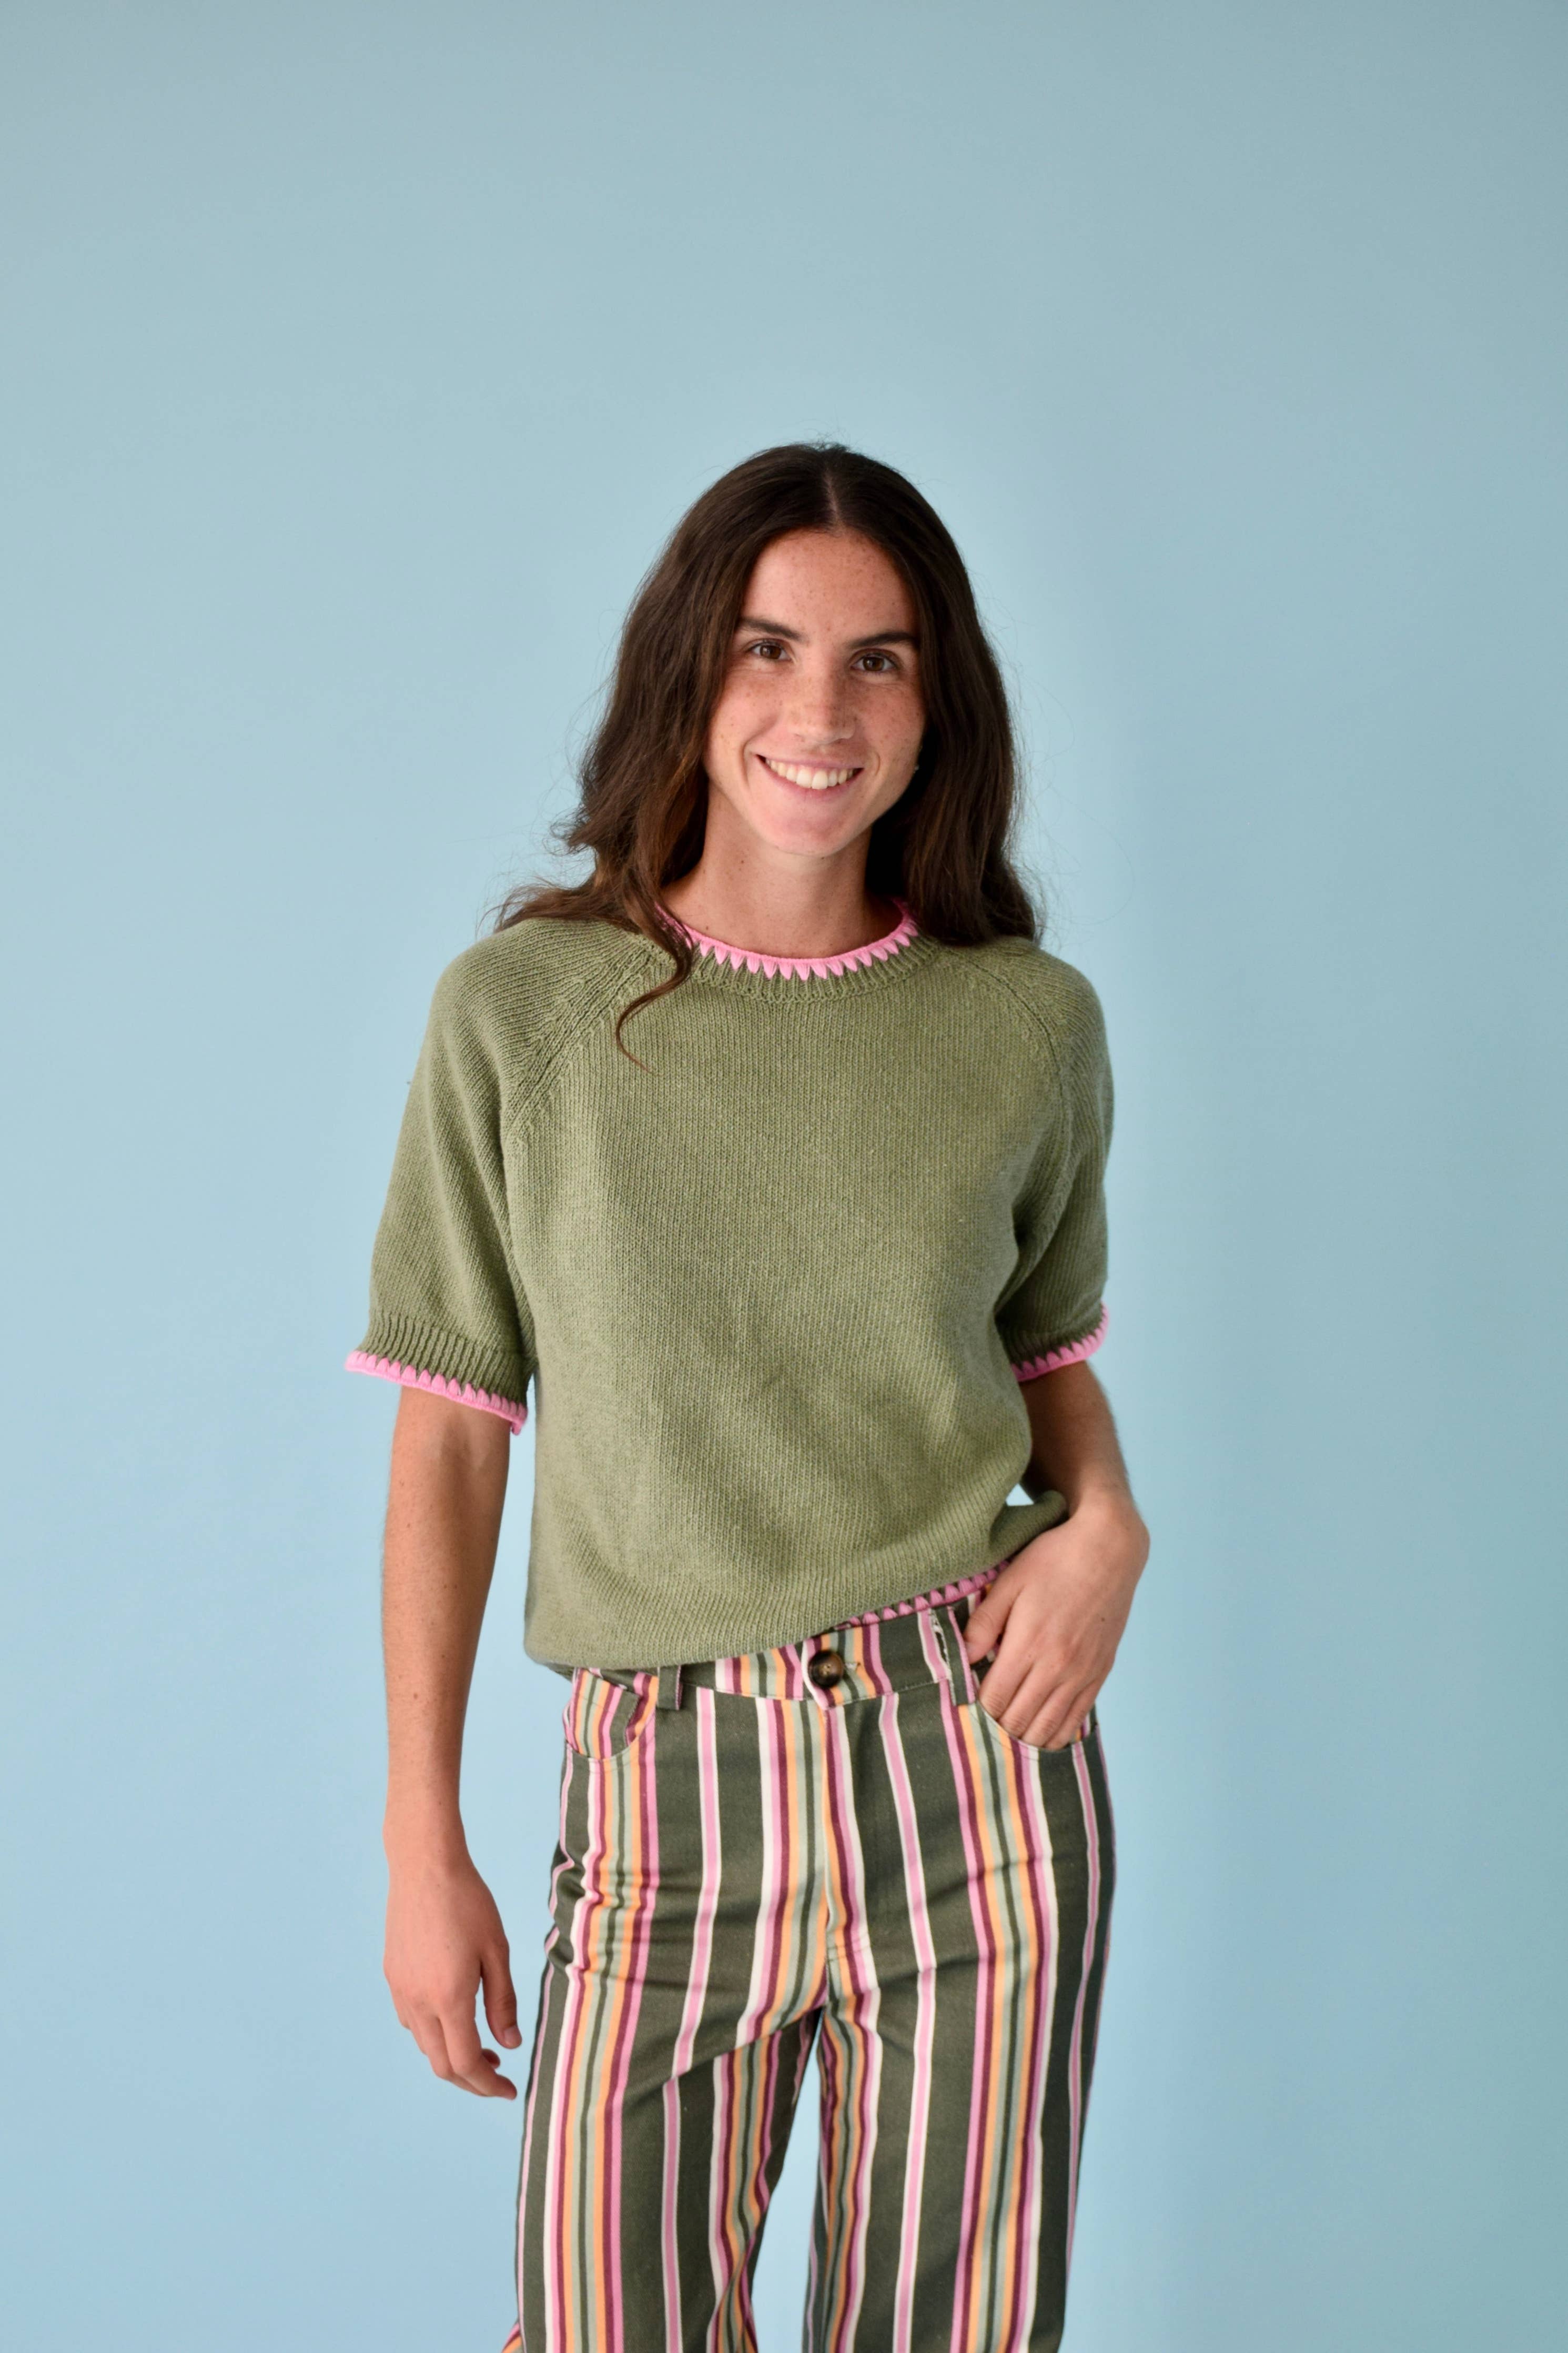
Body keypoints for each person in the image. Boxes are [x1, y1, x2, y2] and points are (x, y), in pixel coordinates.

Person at [347, 441, 1149, 2353]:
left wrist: (1109, 1524)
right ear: (689, 674)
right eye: (768, 649)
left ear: (938, 700)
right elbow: (452, 1440)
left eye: (880, 659)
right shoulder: (523, 1016)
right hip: (667, 1786)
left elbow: (1040, 1358)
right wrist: (418, 1837)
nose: (821, 712)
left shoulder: (1023, 1025)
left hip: (975, 1769)